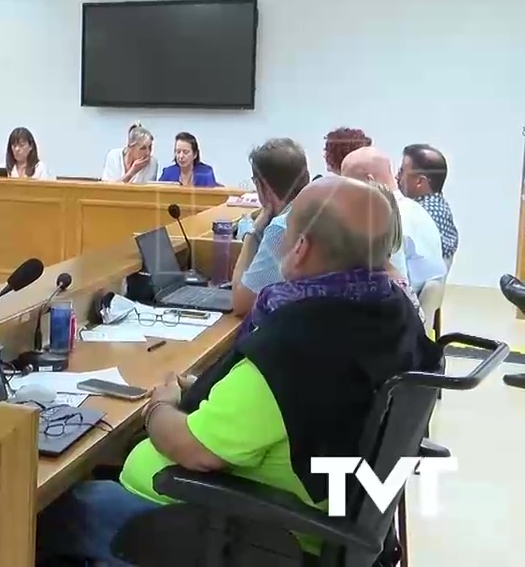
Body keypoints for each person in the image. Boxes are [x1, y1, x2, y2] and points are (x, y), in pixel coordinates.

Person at [36, 176, 441, 565]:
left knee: (48, 515)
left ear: (300, 249)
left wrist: (158, 408)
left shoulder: (296, 345)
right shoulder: (392, 313)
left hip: (250, 536)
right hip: (321, 517)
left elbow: (195, 451)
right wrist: (207, 388)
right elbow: (288, 406)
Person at [341, 146, 446, 292]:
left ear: (369, 180)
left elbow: (393, 285)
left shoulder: (383, 218)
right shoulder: (420, 211)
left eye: (347, 185)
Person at [231, 138, 310, 318]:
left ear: (264, 187)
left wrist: (251, 234)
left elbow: (240, 303)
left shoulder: (281, 228)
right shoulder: (319, 208)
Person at [398, 143, 458, 265]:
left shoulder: (422, 214)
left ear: (420, 181)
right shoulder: (438, 208)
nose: (396, 177)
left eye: (402, 172)